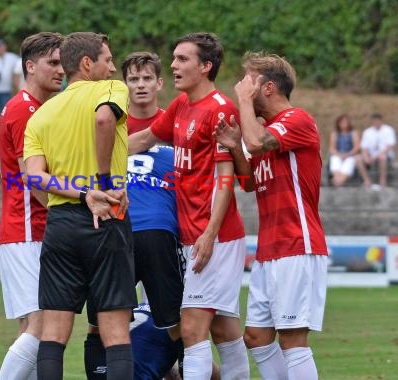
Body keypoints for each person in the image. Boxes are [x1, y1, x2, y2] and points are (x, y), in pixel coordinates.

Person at [129, 32, 250, 380]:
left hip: (214, 236)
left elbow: (227, 177)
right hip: (191, 234)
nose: (173, 65)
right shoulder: (182, 106)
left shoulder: (220, 110)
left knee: (193, 330)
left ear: (205, 66)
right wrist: (98, 154)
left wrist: (211, 232)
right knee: (225, 331)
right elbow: (144, 138)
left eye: (183, 59)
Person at [24, 31, 135, 380]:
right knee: (114, 331)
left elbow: (35, 177)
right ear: (87, 63)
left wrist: (79, 191)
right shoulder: (112, 89)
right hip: (107, 217)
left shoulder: (41, 115)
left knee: (53, 333)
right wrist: (100, 185)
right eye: (108, 59)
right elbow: (104, 119)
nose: (113, 66)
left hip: (60, 223)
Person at [214, 51, 328, 380]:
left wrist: (243, 107)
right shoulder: (268, 131)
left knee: (292, 339)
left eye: (248, 81)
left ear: (267, 88)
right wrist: (235, 147)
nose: (240, 87)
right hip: (270, 249)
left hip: (297, 243)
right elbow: (249, 183)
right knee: (257, 337)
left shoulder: (297, 119)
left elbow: (257, 140)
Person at [84, 51, 186, 380]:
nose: (140, 85)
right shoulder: (109, 124)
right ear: (124, 85)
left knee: (176, 322)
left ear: (159, 83)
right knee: (102, 320)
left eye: (146, 78)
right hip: (115, 235)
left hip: (161, 234)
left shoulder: (179, 127)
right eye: (133, 79)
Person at [0, 31, 65, 380]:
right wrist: (66, 215)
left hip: (27, 229)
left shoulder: (38, 107)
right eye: (53, 63)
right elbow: (31, 177)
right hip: (28, 228)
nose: (61, 70)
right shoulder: (25, 109)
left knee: (33, 327)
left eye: (62, 63)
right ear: (30, 66)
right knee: (40, 326)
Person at [356, 113, 396, 189]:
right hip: (370, 155)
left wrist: (375, 157)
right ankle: (367, 180)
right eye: (374, 121)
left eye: (377, 121)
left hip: (385, 155)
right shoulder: (367, 132)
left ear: (381, 121)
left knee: (382, 157)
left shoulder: (389, 130)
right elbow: (364, 147)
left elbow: (389, 146)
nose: (376, 122)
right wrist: (366, 157)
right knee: (358, 158)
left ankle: (382, 182)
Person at [328, 114, 360, 187]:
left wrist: (347, 155)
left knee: (349, 163)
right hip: (338, 155)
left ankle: (336, 182)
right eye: (342, 122)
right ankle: (338, 182)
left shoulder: (353, 133)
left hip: (350, 155)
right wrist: (339, 155)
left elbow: (357, 147)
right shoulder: (335, 134)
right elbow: (332, 148)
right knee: (334, 160)